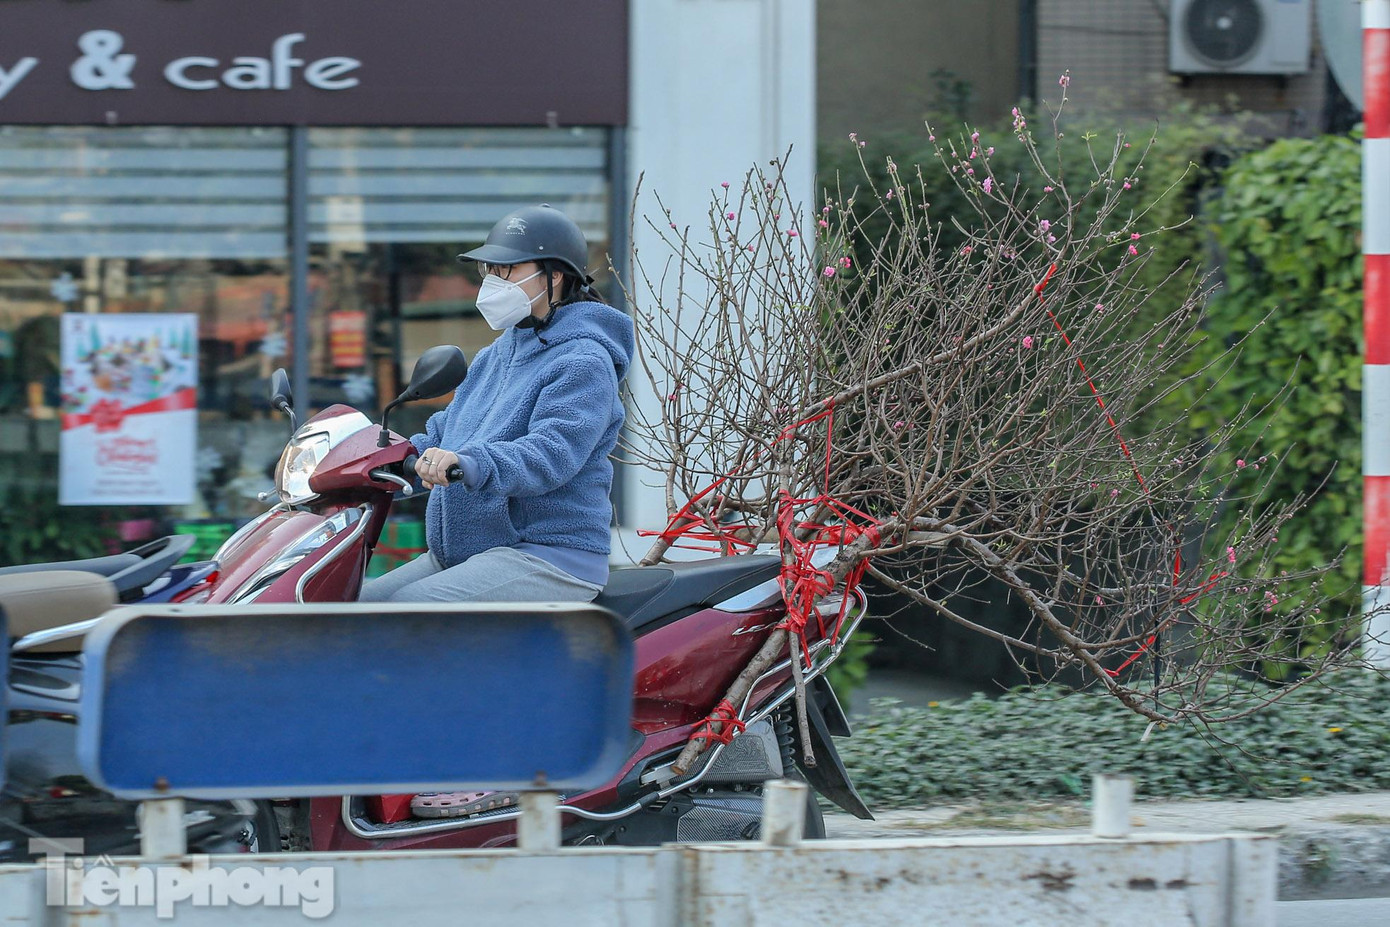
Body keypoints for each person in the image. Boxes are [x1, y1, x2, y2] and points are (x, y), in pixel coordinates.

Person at [358, 204, 633, 608]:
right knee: (352, 608)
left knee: (405, 615)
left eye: (507, 270)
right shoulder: (497, 355)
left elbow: (550, 454)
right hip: (469, 553)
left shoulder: (583, 361)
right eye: (488, 270)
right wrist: (376, 461)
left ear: (555, 276)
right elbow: (443, 434)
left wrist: (468, 463)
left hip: (545, 554)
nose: (492, 281)